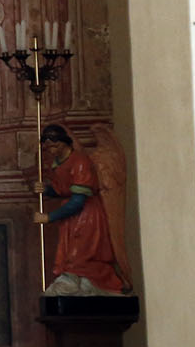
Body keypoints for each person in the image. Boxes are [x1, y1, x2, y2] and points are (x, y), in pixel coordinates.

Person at [34, 123, 132, 294]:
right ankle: (73, 280)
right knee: (68, 252)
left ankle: (88, 282)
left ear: (65, 143)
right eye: (48, 147)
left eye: (55, 145)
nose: (51, 150)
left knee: (81, 252)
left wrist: (49, 217)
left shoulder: (80, 161)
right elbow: (65, 190)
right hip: (71, 217)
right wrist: (47, 190)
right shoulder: (57, 163)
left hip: (87, 215)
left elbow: (78, 201)